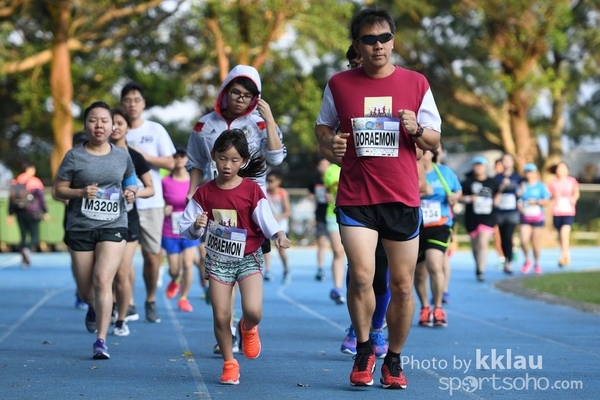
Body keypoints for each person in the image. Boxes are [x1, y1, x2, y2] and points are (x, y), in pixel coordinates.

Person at [315, 7, 441, 389]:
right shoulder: (339, 84)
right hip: (356, 197)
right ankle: (364, 347)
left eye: (384, 38)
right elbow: (323, 131)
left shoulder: (416, 83)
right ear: (357, 45)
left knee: (402, 285)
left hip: (401, 198)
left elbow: (434, 139)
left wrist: (416, 129)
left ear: (393, 40)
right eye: (369, 40)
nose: (378, 46)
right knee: (361, 276)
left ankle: (394, 360)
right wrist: (331, 146)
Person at [186, 64, 286, 354]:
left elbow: (277, 158)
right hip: (218, 207)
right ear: (225, 91)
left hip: (252, 207)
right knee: (223, 270)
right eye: (236, 92)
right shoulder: (204, 125)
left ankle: (248, 323)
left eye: (248, 95)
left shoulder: (260, 123)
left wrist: (269, 119)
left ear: (256, 98)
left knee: (248, 277)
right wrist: (192, 194)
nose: (241, 99)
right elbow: (195, 162)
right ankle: (227, 331)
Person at [179, 129, 290, 385]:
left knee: (253, 311)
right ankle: (229, 363)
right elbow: (187, 230)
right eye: (222, 158)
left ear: (244, 161)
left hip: (248, 256)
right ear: (213, 157)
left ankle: (248, 327)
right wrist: (196, 225)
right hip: (218, 259)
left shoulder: (252, 190)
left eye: (234, 160)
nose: (227, 165)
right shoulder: (203, 193)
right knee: (221, 315)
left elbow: (266, 219)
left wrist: (279, 234)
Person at [53, 101, 137, 359]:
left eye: (104, 120)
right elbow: (58, 190)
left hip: (114, 224)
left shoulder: (122, 155)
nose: (99, 125)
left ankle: (101, 340)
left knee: (102, 280)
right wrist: (80, 192)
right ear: (86, 125)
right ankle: (92, 306)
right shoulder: (74, 156)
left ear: (112, 126)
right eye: (93, 120)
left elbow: (131, 181)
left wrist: (131, 192)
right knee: (87, 290)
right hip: (81, 227)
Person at [122, 82, 176, 323]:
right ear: (121, 104)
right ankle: (129, 302)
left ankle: (151, 299)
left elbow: (172, 163)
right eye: (127, 100)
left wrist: (141, 156)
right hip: (123, 204)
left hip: (151, 203)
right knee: (122, 258)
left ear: (143, 103)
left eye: (136, 100)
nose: (132, 104)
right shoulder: (116, 129)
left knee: (152, 257)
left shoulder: (155, 129)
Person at [109, 107, 155, 336]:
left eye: (120, 123)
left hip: (128, 219)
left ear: (128, 127)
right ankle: (109, 305)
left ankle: (122, 317)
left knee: (122, 270)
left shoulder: (135, 157)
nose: (115, 127)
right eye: (111, 122)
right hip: (103, 220)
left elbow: (150, 188)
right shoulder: (97, 155)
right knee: (105, 272)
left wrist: (134, 193)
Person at [414, 148, 461, 328]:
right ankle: (425, 307)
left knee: (434, 264)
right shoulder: (410, 171)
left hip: (440, 224)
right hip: (416, 225)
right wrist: (422, 193)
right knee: (419, 273)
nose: (422, 154)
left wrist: (454, 197)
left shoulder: (444, 172)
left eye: (426, 151)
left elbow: (458, 191)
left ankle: (439, 307)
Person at [163, 146, 200, 312]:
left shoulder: (194, 181)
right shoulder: (164, 182)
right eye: (175, 156)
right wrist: (164, 208)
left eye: (182, 156)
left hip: (190, 229)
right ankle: (175, 280)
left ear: (187, 159)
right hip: (170, 230)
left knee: (188, 264)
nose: (179, 159)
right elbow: (158, 202)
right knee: (174, 269)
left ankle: (184, 297)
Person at [460, 156, 501, 282]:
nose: (479, 167)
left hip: (488, 217)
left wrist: (496, 200)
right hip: (472, 217)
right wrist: (469, 199)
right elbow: (459, 197)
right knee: (475, 245)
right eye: (476, 165)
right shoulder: (467, 182)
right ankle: (478, 266)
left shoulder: (492, 182)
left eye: (481, 165)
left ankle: (481, 270)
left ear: (485, 167)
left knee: (483, 241)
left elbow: (498, 193)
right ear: (473, 167)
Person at [7, 161, 48, 267]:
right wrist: (45, 211)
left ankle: (24, 256)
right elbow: (41, 198)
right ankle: (27, 250)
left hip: (19, 211)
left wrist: (10, 213)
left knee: (23, 235)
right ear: (30, 169)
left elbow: (11, 198)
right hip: (32, 212)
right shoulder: (35, 182)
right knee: (34, 235)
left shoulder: (18, 180)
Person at [321, 162, 347, 305]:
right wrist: (328, 196)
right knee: (338, 251)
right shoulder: (330, 170)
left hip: (356, 215)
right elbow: (327, 190)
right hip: (333, 214)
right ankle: (337, 288)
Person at [518, 163, 550, 275]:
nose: (529, 174)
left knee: (535, 242)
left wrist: (536, 202)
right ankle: (527, 260)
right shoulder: (522, 186)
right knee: (523, 240)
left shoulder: (541, 186)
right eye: (527, 172)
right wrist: (520, 205)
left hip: (537, 217)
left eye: (531, 172)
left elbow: (546, 201)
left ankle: (536, 263)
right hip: (525, 217)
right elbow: (518, 199)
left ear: (535, 173)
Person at [547, 161, 579, 267]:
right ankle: (565, 253)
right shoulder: (552, 183)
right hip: (557, 211)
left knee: (564, 232)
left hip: (568, 211)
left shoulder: (572, 181)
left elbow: (576, 192)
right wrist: (553, 196)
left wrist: (574, 199)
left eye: (563, 168)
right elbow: (547, 196)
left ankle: (564, 256)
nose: (561, 170)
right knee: (560, 235)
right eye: (559, 168)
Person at [494, 153, 522, 274]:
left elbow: (522, 191)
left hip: (512, 212)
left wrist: (518, 192)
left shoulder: (517, 177)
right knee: (502, 237)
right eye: (504, 160)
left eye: (509, 160)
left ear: (512, 162)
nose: (507, 162)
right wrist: (501, 187)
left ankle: (509, 262)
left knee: (508, 235)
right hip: (500, 212)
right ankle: (505, 258)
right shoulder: (497, 178)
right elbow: (494, 194)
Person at [264, 170, 291, 284]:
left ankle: (286, 269)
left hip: (281, 225)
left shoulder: (282, 193)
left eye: (271, 181)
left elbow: (288, 212)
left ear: (278, 181)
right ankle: (268, 270)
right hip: (268, 224)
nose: (269, 183)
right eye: (268, 180)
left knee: (281, 250)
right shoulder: (265, 192)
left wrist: (276, 217)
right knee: (266, 248)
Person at [307, 157, 331, 281]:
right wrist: (312, 197)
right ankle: (320, 269)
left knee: (339, 246)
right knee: (321, 242)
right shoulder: (314, 180)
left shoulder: (335, 179)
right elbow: (310, 193)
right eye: (322, 165)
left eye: (326, 165)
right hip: (321, 215)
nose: (324, 167)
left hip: (334, 214)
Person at [492, 158, 506, 267]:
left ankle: (511, 251)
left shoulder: (509, 179)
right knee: (497, 236)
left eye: (501, 166)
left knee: (507, 235)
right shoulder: (492, 181)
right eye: (497, 166)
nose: (499, 168)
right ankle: (501, 257)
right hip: (495, 213)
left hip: (507, 213)